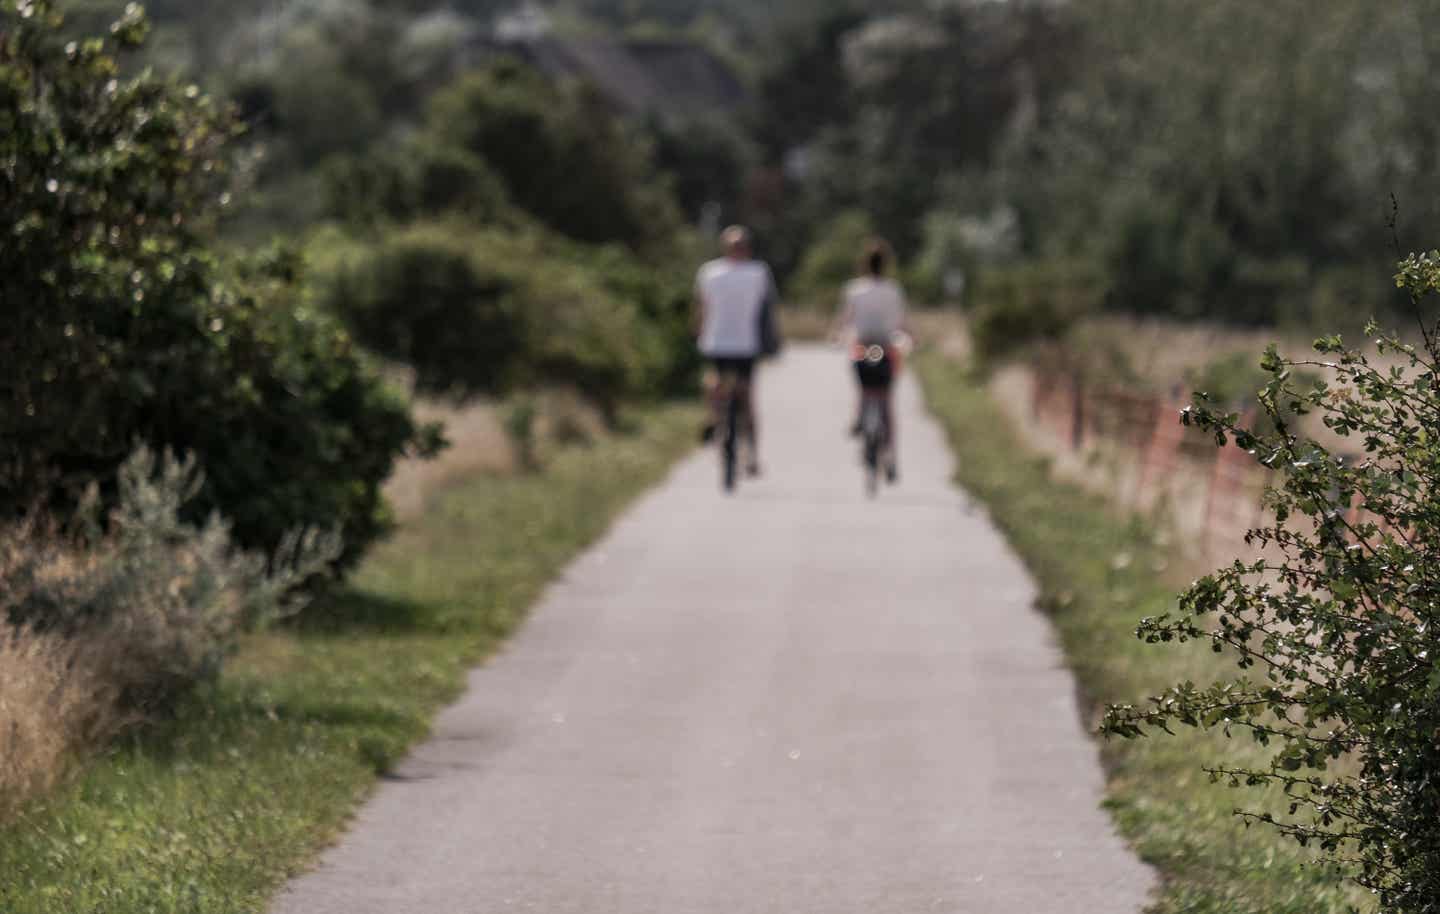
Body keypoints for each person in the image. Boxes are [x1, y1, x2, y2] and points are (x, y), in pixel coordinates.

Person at [694, 225, 778, 476]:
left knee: (714, 380)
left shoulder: (709, 272)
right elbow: (767, 308)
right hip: (745, 344)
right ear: (747, 248)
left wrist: (697, 333)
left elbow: (701, 308)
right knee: (747, 397)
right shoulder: (759, 272)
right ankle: (751, 454)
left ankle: (714, 416)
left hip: (716, 342)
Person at [834, 238, 909, 479]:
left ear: (865, 264)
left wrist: (838, 336)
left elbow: (845, 320)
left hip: (862, 347)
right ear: (886, 265)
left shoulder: (855, 289)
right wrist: (912, 338)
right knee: (886, 402)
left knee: (864, 390)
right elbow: (902, 322)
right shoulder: (894, 290)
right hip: (886, 348)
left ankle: (858, 419)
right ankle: (891, 457)